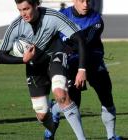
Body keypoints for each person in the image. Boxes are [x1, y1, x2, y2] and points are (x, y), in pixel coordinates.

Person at [0, 0, 87, 140]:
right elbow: (0, 56)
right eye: (20, 10)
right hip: (34, 66)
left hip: (55, 57)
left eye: (26, 9)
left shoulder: (53, 17)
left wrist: (81, 69)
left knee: (61, 94)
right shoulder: (16, 26)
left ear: (35, 5)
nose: (23, 14)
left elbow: (79, 38)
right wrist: (23, 60)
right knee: (42, 114)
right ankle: (52, 121)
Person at [44, 0, 122, 140]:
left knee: (106, 95)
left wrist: (81, 66)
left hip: (93, 61)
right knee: (72, 103)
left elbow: (82, 44)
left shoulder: (96, 20)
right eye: (81, 0)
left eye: (88, 0)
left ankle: (111, 136)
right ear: (74, 0)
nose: (86, 4)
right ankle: (54, 109)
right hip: (71, 63)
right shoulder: (62, 16)